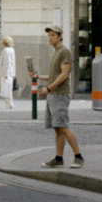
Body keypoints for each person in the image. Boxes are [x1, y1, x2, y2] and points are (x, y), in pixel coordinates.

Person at [30, 26, 84, 169]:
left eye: (53, 35)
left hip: (60, 94)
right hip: (54, 94)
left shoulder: (64, 52)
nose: (50, 37)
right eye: (49, 35)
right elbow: (54, 75)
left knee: (63, 126)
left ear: (60, 36)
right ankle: (58, 158)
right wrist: (39, 77)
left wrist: (48, 88)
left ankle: (78, 157)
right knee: (58, 128)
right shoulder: (56, 52)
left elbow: (64, 75)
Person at [0, 35, 16, 109]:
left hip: (6, 72)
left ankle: (8, 103)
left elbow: (7, 62)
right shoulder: (12, 50)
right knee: (9, 88)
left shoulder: (5, 50)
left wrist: (6, 73)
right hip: (11, 72)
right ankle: (9, 102)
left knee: (6, 88)